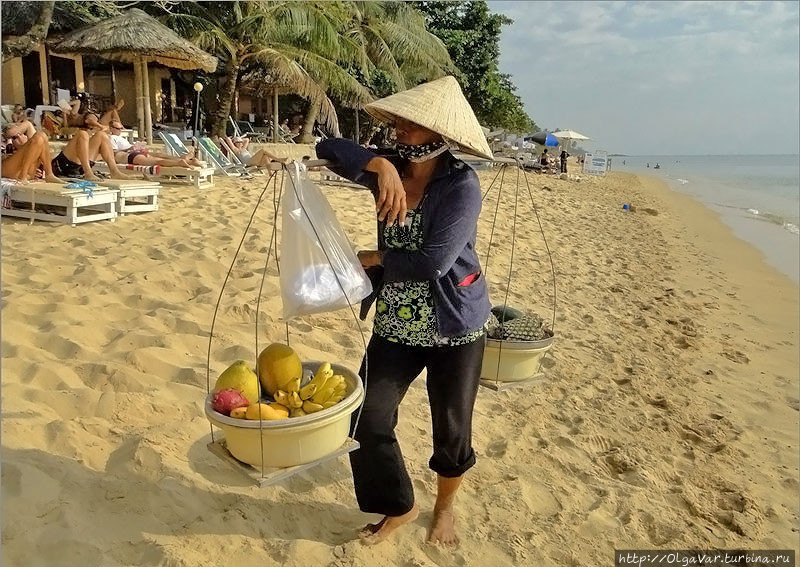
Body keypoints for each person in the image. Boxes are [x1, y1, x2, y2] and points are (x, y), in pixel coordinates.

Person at [316, 76, 492, 547]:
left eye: (412, 126)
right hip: (396, 320)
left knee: (451, 431)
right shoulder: (385, 168)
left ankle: (445, 510)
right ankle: (398, 506)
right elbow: (327, 146)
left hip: (454, 325)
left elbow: (434, 263)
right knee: (365, 417)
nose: (400, 131)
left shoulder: (462, 186)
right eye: (397, 123)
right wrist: (378, 164)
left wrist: (374, 259)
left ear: (440, 135)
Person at [108, 121, 203, 168]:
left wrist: (135, 147)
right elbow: (113, 152)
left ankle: (182, 160)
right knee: (157, 160)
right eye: (118, 128)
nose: (120, 130)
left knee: (158, 159)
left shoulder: (121, 138)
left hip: (131, 155)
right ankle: (186, 161)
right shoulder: (111, 138)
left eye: (121, 128)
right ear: (111, 128)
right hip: (130, 154)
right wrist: (129, 149)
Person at [50, 129, 130, 180]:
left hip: (80, 166)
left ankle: (114, 171)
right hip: (63, 166)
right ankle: (88, 172)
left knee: (101, 134)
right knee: (82, 134)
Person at [220, 136, 285, 167]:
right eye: (237, 142)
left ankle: (278, 162)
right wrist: (232, 139)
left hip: (254, 161)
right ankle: (278, 160)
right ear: (234, 143)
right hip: (249, 162)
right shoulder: (235, 150)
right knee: (263, 151)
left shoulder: (243, 148)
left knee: (268, 153)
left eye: (240, 142)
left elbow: (247, 139)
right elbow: (228, 139)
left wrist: (240, 139)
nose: (240, 143)